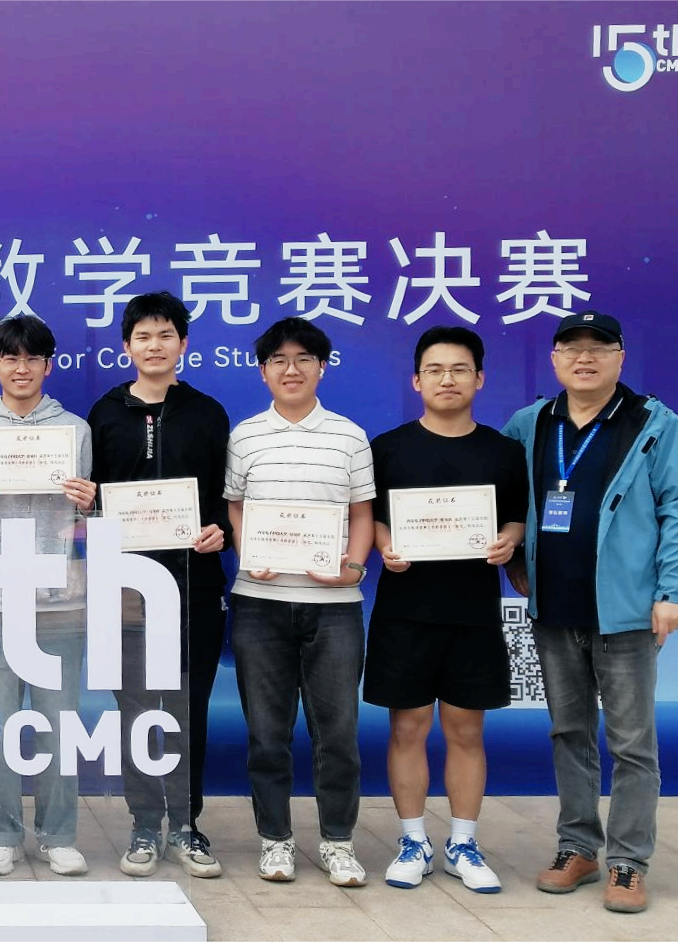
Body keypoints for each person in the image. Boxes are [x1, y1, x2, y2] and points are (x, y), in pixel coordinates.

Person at [503, 311, 678, 914]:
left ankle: (628, 861)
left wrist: (672, 591)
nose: (584, 358)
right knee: (569, 734)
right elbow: (506, 497)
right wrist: (515, 556)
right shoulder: (531, 422)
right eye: (571, 348)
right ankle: (578, 848)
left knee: (632, 743)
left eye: (599, 347)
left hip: (627, 612)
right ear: (555, 359)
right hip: (554, 609)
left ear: (620, 357)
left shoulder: (653, 422)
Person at [367, 326, 527, 893]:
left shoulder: (504, 452)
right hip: (405, 610)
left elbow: (516, 517)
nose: (447, 379)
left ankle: (463, 843)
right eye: (435, 370)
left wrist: (509, 540)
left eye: (459, 369)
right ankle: (413, 840)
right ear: (417, 381)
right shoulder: (387, 448)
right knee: (407, 728)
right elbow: (372, 517)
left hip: (473, 612)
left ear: (479, 378)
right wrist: (384, 545)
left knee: (465, 730)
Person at [223, 316, 374, 887]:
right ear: (263, 371)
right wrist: (248, 553)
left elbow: (362, 511)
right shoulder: (245, 436)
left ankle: (338, 842)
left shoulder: (349, 436)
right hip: (259, 603)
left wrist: (352, 567)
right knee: (267, 734)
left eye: (304, 359)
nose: (292, 370)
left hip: (335, 607)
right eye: (279, 361)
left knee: (337, 734)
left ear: (321, 367)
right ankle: (275, 840)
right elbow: (235, 505)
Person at [85, 292, 229, 880]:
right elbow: (92, 499)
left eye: (165, 335)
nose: (154, 346)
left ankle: (188, 824)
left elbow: (224, 498)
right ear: (127, 346)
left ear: (182, 344)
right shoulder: (104, 413)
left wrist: (220, 531)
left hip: (195, 585)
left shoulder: (208, 412)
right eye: (143, 336)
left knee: (189, 707)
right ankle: (145, 823)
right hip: (126, 589)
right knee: (137, 711)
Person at [0, 314, 96, 878]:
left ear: (48, 365)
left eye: (32, 358)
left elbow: (88, 523)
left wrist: (89, 504)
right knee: (2, 721)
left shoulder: (76, 431)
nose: (21, 368)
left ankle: (59, 834)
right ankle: (2, 834)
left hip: (62, 594)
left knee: (61, 723)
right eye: (10, 358)